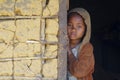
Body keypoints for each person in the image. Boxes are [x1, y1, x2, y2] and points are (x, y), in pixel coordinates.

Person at [67, 8, 95, 80]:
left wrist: (70, 53)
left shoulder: (87, 48)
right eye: (69, 25)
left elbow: (79, 71)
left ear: (86, 29)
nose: (73, 29)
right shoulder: (60, 44)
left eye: (79, 26)